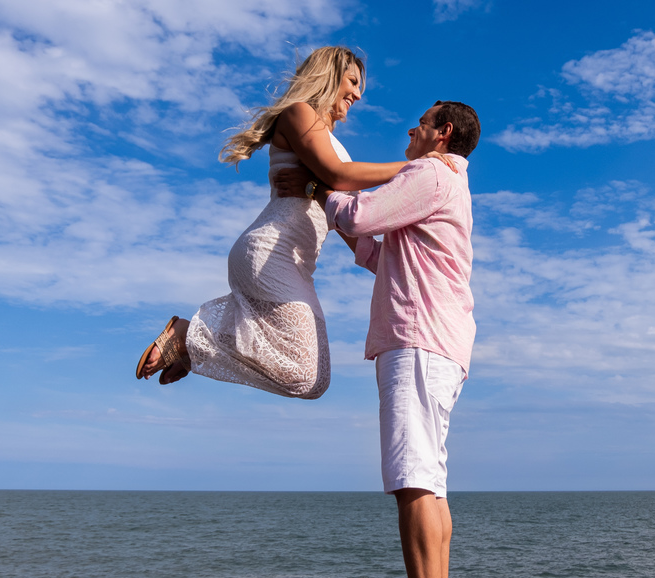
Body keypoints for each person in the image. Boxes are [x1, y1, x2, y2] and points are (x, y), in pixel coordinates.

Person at [276, 100, 480, 578]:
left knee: (412, 479)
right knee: (429, 483)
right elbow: (374, 249)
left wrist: (322, 180)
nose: (410, 129)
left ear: (443, 133)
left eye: (421, 121)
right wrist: (332, 204)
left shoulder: (430, 172)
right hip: (438, 340)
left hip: (417, 338)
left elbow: (362, 217)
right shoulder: (446, 185)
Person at [134, 47, 441, 398]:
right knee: (302, 373)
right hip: (269, 252)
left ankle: (192, 344)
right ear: (329, 75)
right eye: (353, 82)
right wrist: (421, 167)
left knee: (314, 380)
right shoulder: (299, 114)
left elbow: (344, 219)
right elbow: (339, 176)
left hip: (295, 264)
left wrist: (396, 267)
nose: (357, 94)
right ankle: (187, 337)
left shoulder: (331, 144)